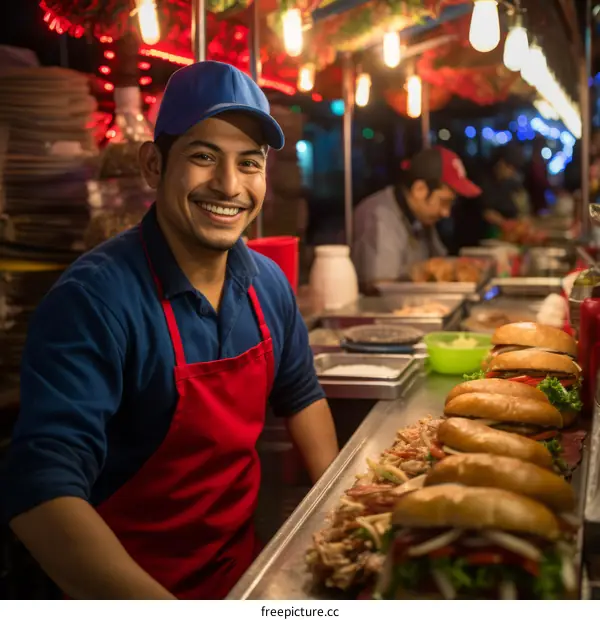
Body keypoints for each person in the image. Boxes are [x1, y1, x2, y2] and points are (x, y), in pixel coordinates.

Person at [1, 61, 339, 600]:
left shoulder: (267, 284)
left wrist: (342, 521)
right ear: (154, 165)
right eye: (204, 156)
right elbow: (40, 491)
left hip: (238, 579)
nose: (229, 185)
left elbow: (302, 396)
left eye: (249, 163)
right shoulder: (94, 299)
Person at [351, 146, 481, 291]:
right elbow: (379, 287)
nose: (446, 213)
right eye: (444, 202)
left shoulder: (422, 217)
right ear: (420, 190)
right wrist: (419, 271)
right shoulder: (378, 217)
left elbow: (441, 261)